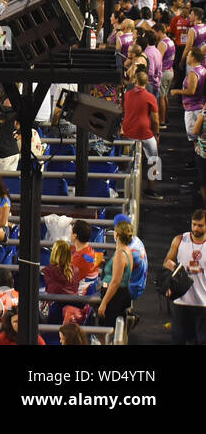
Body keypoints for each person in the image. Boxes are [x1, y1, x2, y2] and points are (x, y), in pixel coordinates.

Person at [163, 209, 206, 344]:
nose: (196, 228)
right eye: (194, 224)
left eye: (200, 225)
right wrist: (172, 266)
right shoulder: (179, 240)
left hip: (203, 303)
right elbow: (166, 262)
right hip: (181, 301)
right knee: (179, 340)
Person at [123, 68, 162, 198]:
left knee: (129, 161)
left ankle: (129, 189)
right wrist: (156, 134)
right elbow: (156, 119)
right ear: (147, 83)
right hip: (144, 132)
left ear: (135, 81)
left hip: (128, 131)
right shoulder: (150, 97)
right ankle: (150, 188)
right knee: (154, 160)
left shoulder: (126, 94)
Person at [97, 220, 136, 327]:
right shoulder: (126, 250)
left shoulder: (120, 254)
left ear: (117, 234)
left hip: (115, 297)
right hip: (118, 295)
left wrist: (104, 303)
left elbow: (115, 282)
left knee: (108, 329)